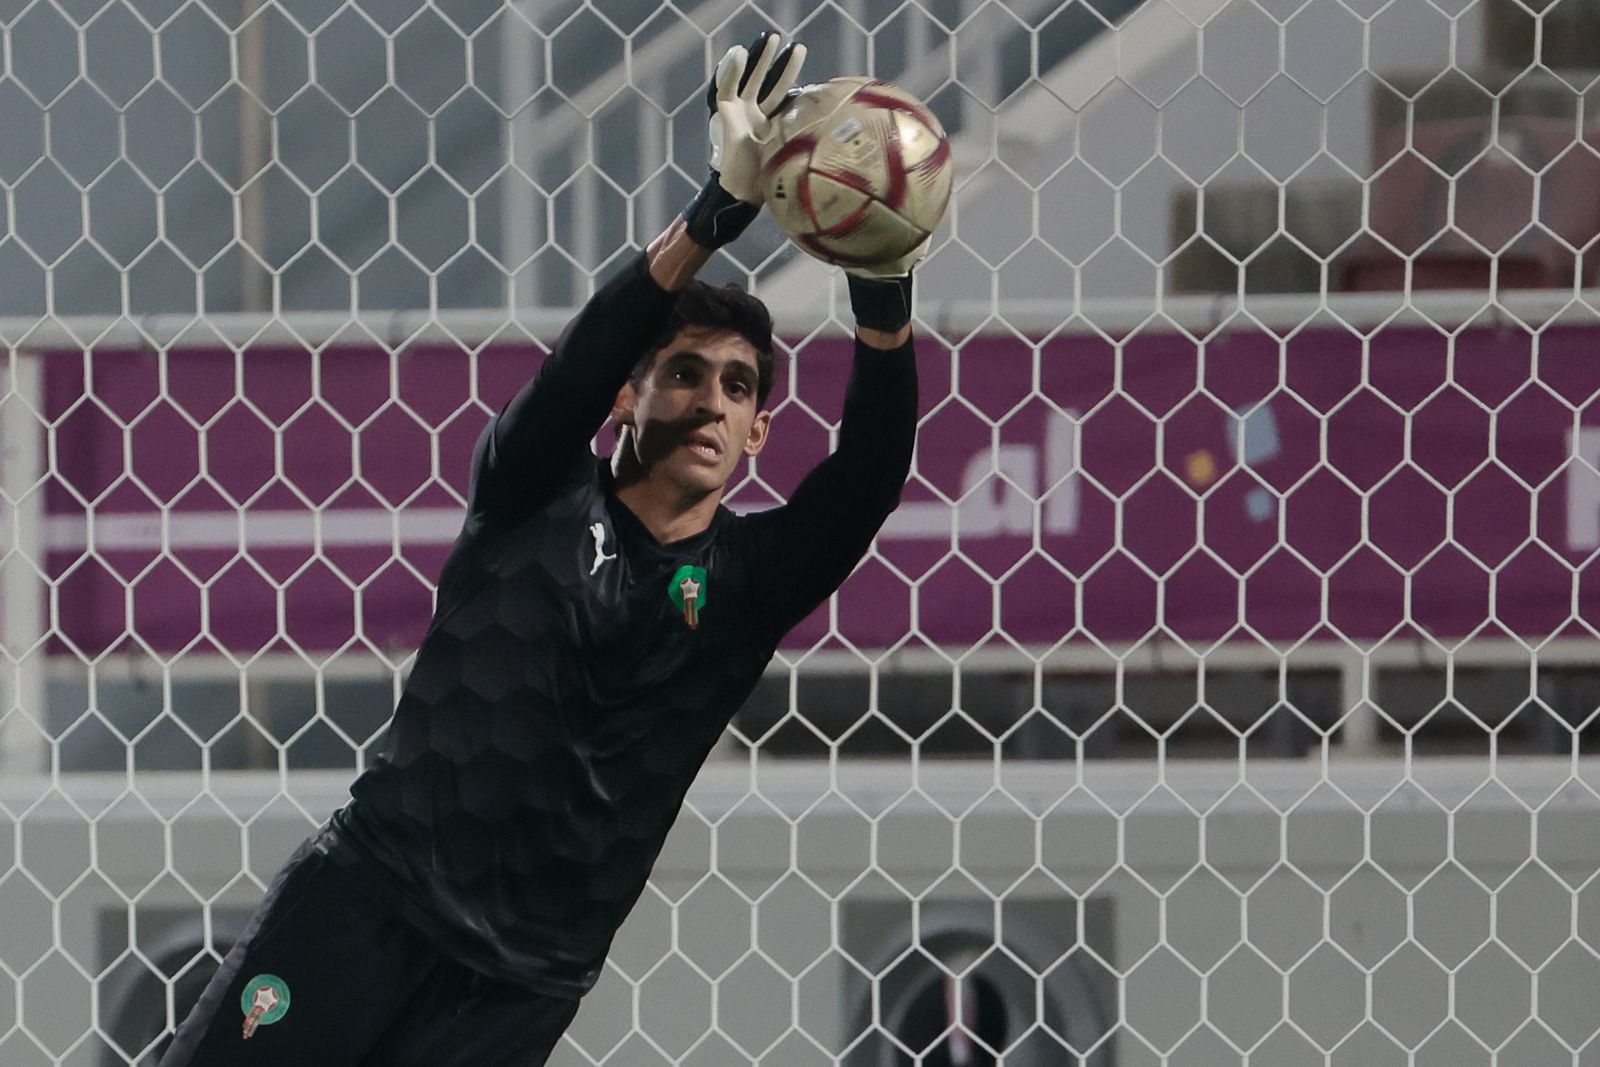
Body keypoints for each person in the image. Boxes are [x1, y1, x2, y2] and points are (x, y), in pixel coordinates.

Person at [159, 30, 921, 1067]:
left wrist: (883, 286)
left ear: (756, 433)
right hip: (366, 901)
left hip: (518, 984)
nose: (710, 400)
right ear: (627, 396)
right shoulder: (532, 491)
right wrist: (711, 219)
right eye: (684, 372)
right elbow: (576, 365)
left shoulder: (747, 582)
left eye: (739, 387)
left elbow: (866, 479)